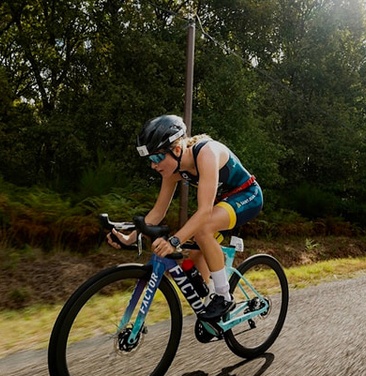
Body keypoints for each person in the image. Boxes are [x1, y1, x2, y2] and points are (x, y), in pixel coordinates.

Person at [107, 114, 263, 321]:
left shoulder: (207, 153)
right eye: (150, 160)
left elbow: (204, 211)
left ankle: (224, 296)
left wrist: (174, 241)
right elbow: (158, 212)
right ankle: (213, 302)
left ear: (177, 149)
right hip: (223, 202)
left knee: (202, 228)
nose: (153, 166)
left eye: (156, 158)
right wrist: (130, 238)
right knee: (195, 255)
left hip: (248, 195)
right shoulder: (173, 171)